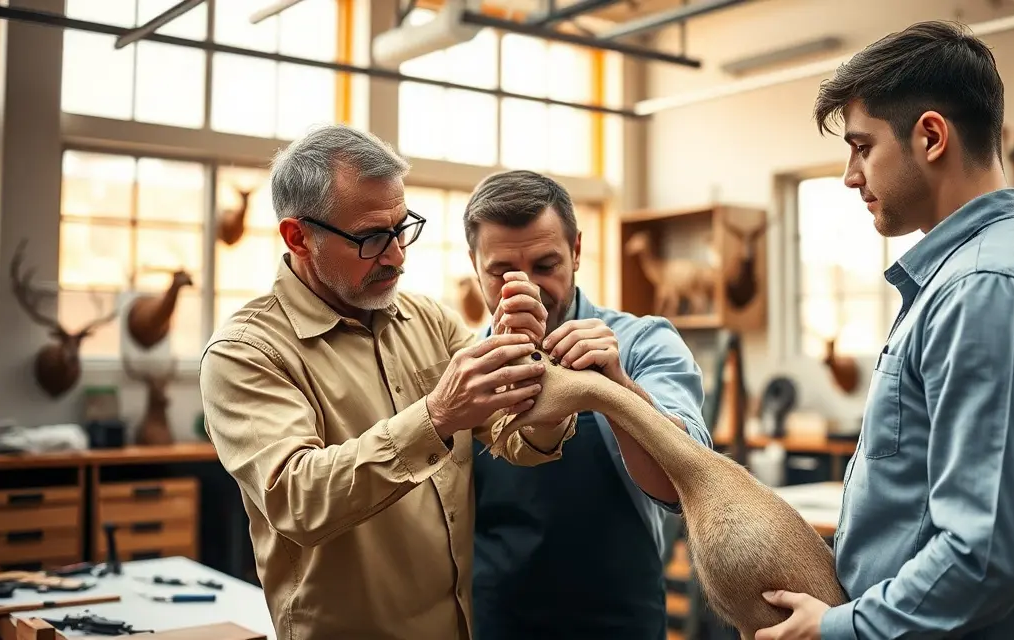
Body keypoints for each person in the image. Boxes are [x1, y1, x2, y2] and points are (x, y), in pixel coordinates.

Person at [756, 21, 1014, 640]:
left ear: (932, 137)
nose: (851, 175)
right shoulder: (963, 279)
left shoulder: (989, 289)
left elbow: (986, 557)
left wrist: (838, 629)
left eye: (863, 147)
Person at [198, 125, 577, 640]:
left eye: (402, 228)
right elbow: (297, 500)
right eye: (372, 238)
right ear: (298, 237)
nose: (397, 255)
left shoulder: (430, 321)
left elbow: (519, 441)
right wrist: (437, 416)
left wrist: (530, 368)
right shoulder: (245, 353)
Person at [462, 169, 713, 639]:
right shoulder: (462, 369)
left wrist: (615, 388)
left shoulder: (642, 344)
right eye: (502, 273)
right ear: (474, 265)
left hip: (620, 620)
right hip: (497, 622)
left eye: (546, 265)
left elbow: (691, 482)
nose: (529, 288)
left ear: (576, 251)